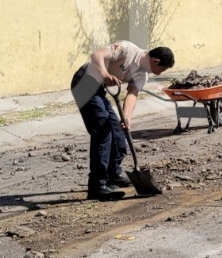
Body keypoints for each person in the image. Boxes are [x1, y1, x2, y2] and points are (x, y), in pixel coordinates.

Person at [70, 42, 175, 200]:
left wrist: (126, 117)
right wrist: (105, 74)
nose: (160, 74)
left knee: (117, 130)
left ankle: (113, 173)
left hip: (100, 89)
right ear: (156, 61)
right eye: (162, 70)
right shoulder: (126, 49)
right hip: (85, 81)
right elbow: (96, 56)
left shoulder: (142, 75)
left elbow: (132, 95)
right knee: (102, 130)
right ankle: (97, 186)